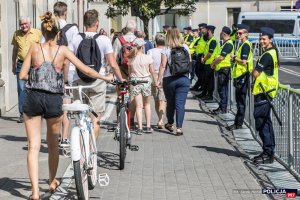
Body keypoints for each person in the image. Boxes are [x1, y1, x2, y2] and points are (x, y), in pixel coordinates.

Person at [19, 11, 113, 200]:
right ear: (58, 33)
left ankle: (35, 192)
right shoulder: (62, 51)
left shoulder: (34, 48)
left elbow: (22, 75)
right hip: (54, 99)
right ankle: (52, 181)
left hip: (33, 99)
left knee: (33, 147)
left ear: (44, 33)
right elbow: (84, 68)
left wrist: (38, 79)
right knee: (53, 145)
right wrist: (105, 77)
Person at [71, 9, 124, 139]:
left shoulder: (76, 38)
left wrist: (67, 80)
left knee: (80, 116)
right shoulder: (104, 39)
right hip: (98, 80)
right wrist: (120, 79)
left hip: (79, 80)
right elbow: (112, 64)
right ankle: (92, 154)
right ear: (97, 23)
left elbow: (68, 61)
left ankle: (81, 149)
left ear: (84, 23)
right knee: (95, 118)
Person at [53, 1, 79, 148]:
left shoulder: (49, 28)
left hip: (53, 70)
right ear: (66, 12)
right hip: (69, 71)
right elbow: (75, 50)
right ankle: (64, 138)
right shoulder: (73, 29)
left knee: (54, 105)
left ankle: (54, 135)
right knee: (66, 105)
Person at [252, 27, 279, 164]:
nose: (261, 41)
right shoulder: (273, 52)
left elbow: (255, 73)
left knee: (262, 123)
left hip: (264, 93)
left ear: (270, 40)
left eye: (264, 39)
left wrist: (253, 70)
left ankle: (268, 153)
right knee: (265, 123)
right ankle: (268, 152)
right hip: (266, 93)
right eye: (260, 38)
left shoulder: (267, 54)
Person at [157, 28, 191, 136]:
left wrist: (158, 80)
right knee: (180, 104)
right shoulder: (185, 47)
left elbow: (162, 66)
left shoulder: (166, 49)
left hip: (169, 79)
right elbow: (189, 61)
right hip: (184, 79)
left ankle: (170, 123)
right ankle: (179, 128)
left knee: (170, 103)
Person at [11, 17, 42, 123]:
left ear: (30, 23)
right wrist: (13, 64)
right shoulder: (16, 34)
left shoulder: (37, 33)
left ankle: (37, 112)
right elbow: (15, 50)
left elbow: (43, 48)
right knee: (21, 89)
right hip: (21, 64)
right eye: (21, 24)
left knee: (36, 88)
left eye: (25, 24)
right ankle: (22, 114)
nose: (24, 26)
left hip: (35, 65)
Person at [226, 24, 253, 131]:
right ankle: (237, 122)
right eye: (237, 33)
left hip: (243, 76)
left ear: (246, 34)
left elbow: (244, 61)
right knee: (239, 102)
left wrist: (234, 57)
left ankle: (238, 124)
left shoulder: (246, 45)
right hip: (240, 76)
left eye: (240, 33)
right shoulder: (242, 44)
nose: (238, 35)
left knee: (241, 102)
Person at [128, 38, 156, 134]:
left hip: (135, 82)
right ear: (143, 47)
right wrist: (156, 82)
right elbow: (152, 71)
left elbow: (129, 73)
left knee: (138, 106)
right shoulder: (148, 58)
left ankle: (139, 128)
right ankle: (148, 127)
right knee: (147, 104)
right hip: (146, 81)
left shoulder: (131, 59)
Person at [113, 20, 137, 127]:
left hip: (121, 71)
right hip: (134, 72)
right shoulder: (138, 41)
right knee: (133, 95)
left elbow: (113, 56)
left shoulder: (119, 40)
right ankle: (131, 119)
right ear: (135, 29)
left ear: (125, 29)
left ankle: (119, 117)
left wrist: (111, 72)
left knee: (120, 94)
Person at [210, 26, 234, 114]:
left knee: (222, 90)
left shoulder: (228, 44)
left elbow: (221, 57)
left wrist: (213, 63)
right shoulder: (225, 43)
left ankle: (223, 109)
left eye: (221, 32)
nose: (220, 34)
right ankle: (221, 107)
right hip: (222, 69)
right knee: (221, 90)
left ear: (224, 33)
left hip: (224, 69)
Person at [147, 33, 166, 129]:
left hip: (153, 76)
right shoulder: (167, 51)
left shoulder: (150, 51)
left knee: (156, 99)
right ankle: (161, 119)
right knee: (162, 99)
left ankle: (159, 118)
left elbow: (149, 66)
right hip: (164, 76)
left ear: (155, 42)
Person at [199, 25, 219, 101]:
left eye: (206, 30)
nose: (205, 32)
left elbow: (210, 53)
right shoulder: (209, 40)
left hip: (210, 63)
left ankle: (209, 95)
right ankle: (204, 93)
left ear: (209, 31)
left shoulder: (213, 40)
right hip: (207, 62)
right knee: (206, 79)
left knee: (210, 81)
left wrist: (204, 59)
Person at [191, 23, 208, 93]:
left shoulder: (206, 36)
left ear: (205, 29)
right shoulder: (202, 36)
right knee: (197, 72)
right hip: (199, 56)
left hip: (203, 57)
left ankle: (201, 87)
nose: (199, 30)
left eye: (200, 29)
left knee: (202, 74)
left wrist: (203, 57)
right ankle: (199, 86)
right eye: (199, 29)